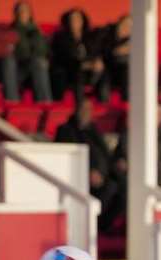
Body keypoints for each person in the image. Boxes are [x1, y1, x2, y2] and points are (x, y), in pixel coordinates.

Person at [55, 98, 120, 231]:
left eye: (89, 110)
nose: (86, 113)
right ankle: (93, 225)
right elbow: (66, 158)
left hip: (104, 174)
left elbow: (105, 154)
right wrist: (89, 171)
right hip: (80, 177)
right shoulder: (65, 130)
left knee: (125, 187)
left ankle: (103, 225)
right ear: (76, 110)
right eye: (83, 109)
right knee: (111, 188)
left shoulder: (93, 130)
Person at [50, 9, 108, 102]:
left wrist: (96, 61)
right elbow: (64, 57)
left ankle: (104, 107)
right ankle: (79, 108)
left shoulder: (90, 36)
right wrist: (83, 64)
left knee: (104, 73)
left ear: (83, 21)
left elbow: (95, 52)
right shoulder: (61, 37)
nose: (75, 22)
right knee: (78, 73)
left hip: (90, 71)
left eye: (77, 19)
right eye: (72, 19)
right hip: (70, 70)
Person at [10, 1, 52, 102]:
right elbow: (20, 52)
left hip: (37, 68)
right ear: (15, 14)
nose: (22, 13)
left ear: (30, 13)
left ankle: (45, 104)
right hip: (19, 70)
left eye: (25, 10)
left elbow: (44, 50)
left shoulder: (37, 31)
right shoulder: (11, 31)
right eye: (19, 11)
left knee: (40, 63)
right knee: (38, 63)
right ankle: (44, 102)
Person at [101, 15, 131, 100]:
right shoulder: (106, 34)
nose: (126, 28)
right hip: (107, 67)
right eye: (124, 24)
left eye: (130, 26)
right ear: (118, 24)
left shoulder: (132, 41)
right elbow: (103, 52)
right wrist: (116, 51)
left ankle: (127, 100)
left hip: (123, 72)